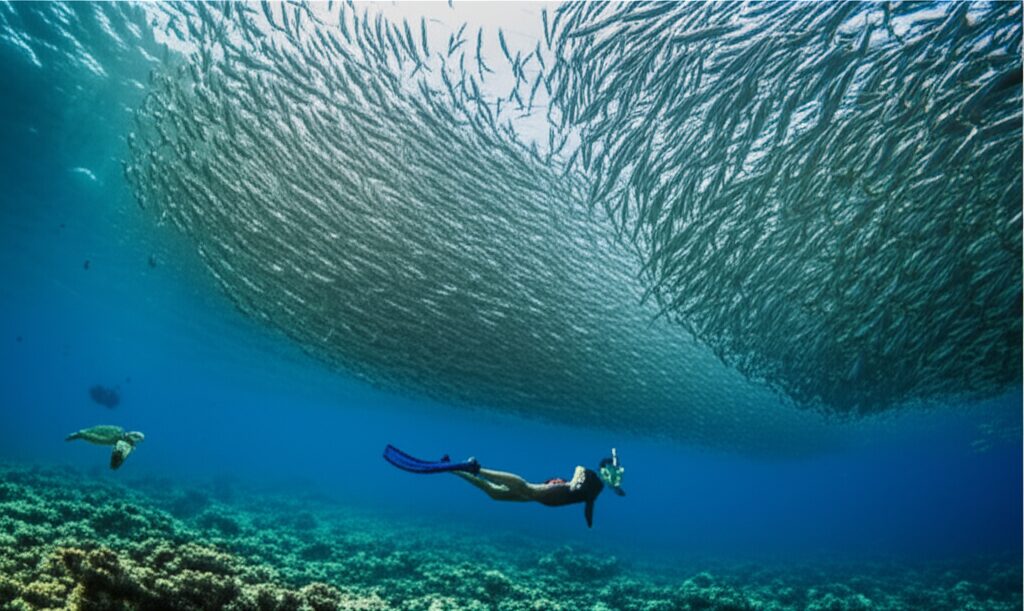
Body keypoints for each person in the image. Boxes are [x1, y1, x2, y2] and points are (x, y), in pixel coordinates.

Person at [383, 445, 625, 528]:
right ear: (604, 469)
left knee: (495, 494)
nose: (611, 475)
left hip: (550, 499)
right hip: (555, 493)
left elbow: (589, 505)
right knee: (528, 488)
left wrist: (589, 523)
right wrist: (570, 483)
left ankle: (454, 469)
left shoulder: (599, 489)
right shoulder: (591, 474)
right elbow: (579, 470)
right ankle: (476, 468)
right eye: (609, 471)